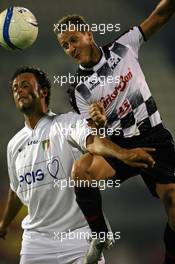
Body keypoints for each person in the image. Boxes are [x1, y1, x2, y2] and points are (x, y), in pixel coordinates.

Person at [54, 1, 175, 263]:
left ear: (89, 33)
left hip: (153, 136)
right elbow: (95, 138)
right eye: (65, 45)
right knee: (81, 171)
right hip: (120, 145)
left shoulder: (124, 47)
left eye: (74, 39)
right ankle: (100, 235)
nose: (71, 48)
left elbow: (161, 14)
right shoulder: (79, 90)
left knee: (173, 202)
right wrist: (97, 123)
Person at [0, 67, 155, 264]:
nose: (19, 90)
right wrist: (4, 223)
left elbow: (93, 142)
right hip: (36, 243)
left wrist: (123, 153)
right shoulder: (13, 145)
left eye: (24, 85)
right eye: (15, 88)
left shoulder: (66, 123)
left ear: (43, 91)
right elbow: (16, 190)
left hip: (78, 238)